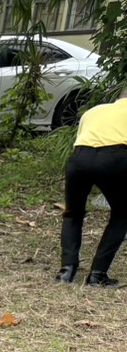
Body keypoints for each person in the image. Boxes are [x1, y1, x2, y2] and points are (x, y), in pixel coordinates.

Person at [58, 93, 127, 287]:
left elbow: (82, 140)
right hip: (116, 157)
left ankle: (66, 271)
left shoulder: (93, 111)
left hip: (80, 158)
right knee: (122, 215)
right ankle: (97, 274)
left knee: (73, 214)